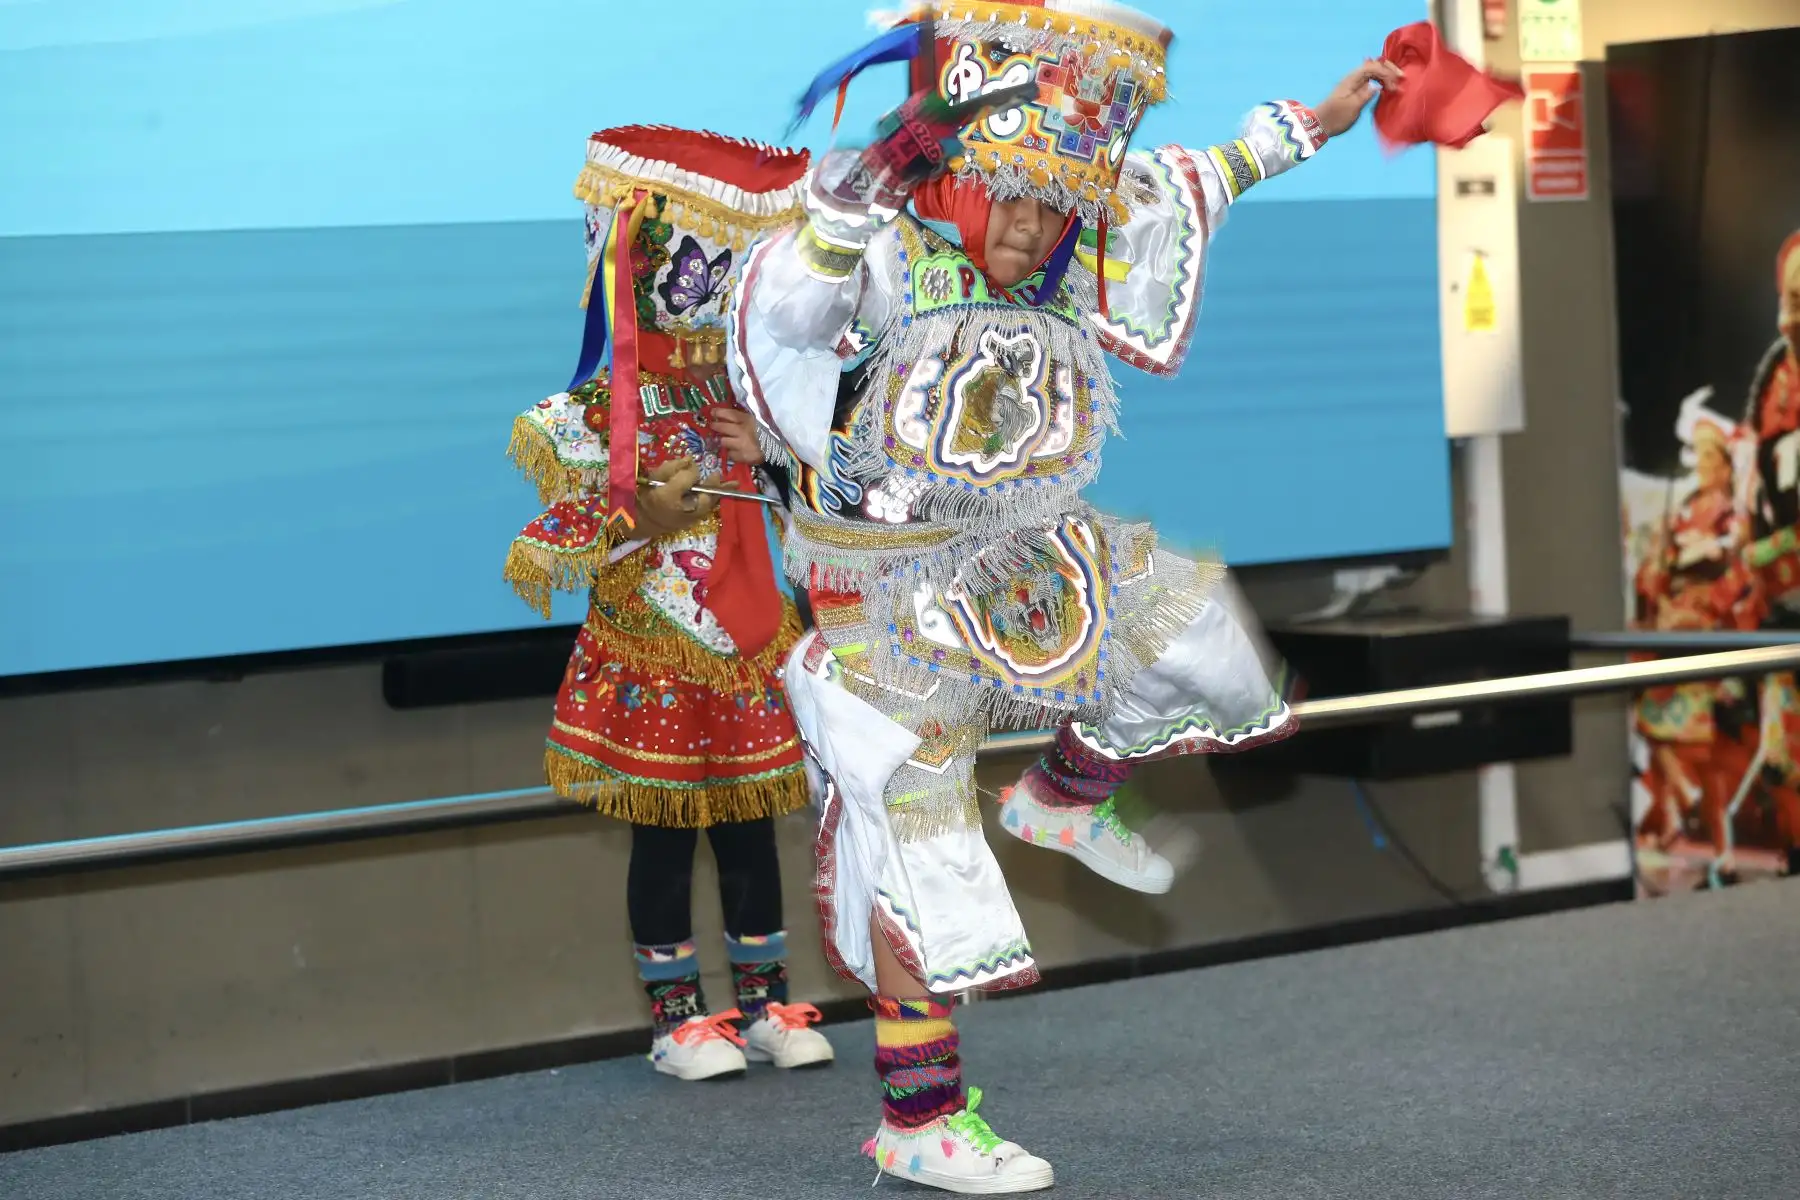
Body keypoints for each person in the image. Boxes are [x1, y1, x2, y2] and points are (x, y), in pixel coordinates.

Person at [726, 3, 1400, 1190]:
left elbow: (1205, 175)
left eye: (1054, 205)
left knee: (1204, 640)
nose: (1032, 226)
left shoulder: (1070, 258)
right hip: (878, 580)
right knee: (920, 836)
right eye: (1012, 197)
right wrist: (885, 162)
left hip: (1027, 544)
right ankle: (922, 1118)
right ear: (961, 182)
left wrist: (1319, 127)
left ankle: (1063, 794)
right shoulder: (885, 252)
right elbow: (790, 304)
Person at [504, 126, 833, 1081]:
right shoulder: (591, 415)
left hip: (749, 649)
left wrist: (774, 451)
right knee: (663, 837)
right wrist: (641, 519)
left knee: (749, 832)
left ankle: (767, 1007)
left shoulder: (754, 400)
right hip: (651, 652)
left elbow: (824, 509)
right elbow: (540, 547)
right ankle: (677, 1022)